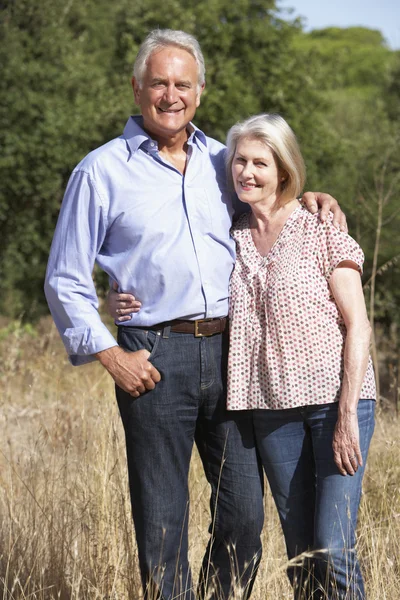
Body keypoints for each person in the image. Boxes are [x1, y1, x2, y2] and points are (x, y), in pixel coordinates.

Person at [44, 28, 345, 600]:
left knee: (244, 517)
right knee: (163, 520)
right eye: (158, 82)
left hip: (236, 354)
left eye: (183, 83)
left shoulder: (221, 162)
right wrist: (112, 354)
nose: (170, 94)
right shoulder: (101, 171)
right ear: (137, 88)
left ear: (200, 92)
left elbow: (269, 196)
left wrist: (310, 197)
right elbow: (64, 278)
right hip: (154, 357)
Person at [225, 114, 376, 599]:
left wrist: (348, 415)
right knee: (302, 557)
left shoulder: (319, 228)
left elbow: (359, 325)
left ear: (284, 170)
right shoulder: (232, 235)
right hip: (272, 413)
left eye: (260, 163)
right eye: (240, 161)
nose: (247, 172)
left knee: (332, 548)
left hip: (336, 404)